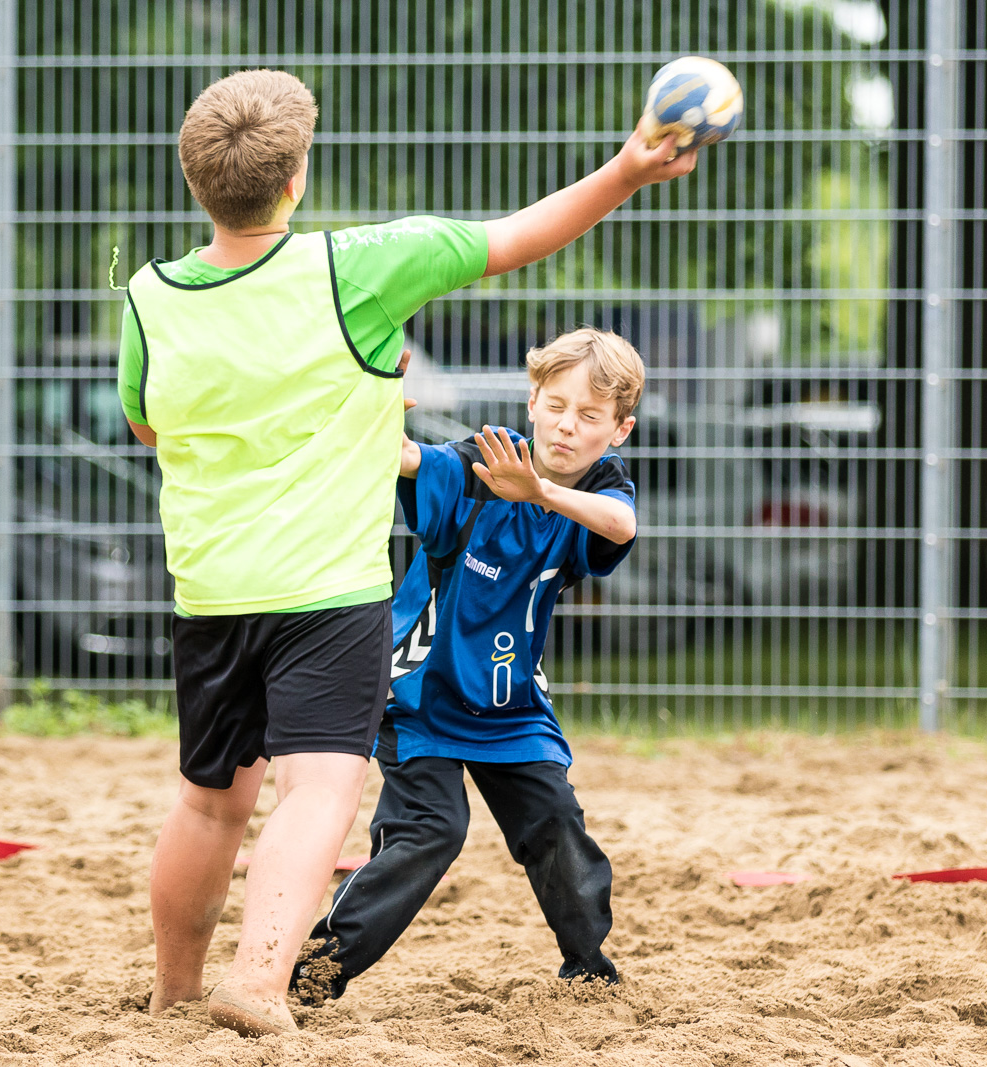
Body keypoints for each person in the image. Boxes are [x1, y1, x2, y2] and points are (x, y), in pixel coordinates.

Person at [121, 69, 696, 1037]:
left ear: (194, 182)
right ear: (296, 177)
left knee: (210, 802)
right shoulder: (358, 267)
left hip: (211, 586)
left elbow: (147, 426)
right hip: (324, 588)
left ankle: (173, 986)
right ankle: (262, 982)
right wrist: (626, 172)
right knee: (317, 790)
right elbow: (518, 236)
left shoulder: (150, 293)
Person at [289, 328, 643, 1006]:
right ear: (532, 399)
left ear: (619, 429)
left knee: (556, 824)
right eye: (557, 404)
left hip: (511, 707)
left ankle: (588, 970)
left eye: (591, 415)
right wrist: (373, 403)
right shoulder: (477, 465)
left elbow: (620, 525)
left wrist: (539, 490)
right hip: (420, 693)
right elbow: (404, 456)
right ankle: (317, 966)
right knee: (433, 831)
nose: (569, 424)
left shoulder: (600, 487)